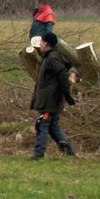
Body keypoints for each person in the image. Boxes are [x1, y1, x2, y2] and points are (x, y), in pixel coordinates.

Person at [30, 31, 76, 159]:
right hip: (49, 99)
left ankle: (39, 154)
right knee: (53, 127)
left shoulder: (53, 58)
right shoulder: (49, 57)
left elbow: (63, 77)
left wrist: (68, 96)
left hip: (49, 100)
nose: (39, 44)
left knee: (42, 125)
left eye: (41, 42)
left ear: (46, 43)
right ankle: (69, 153)